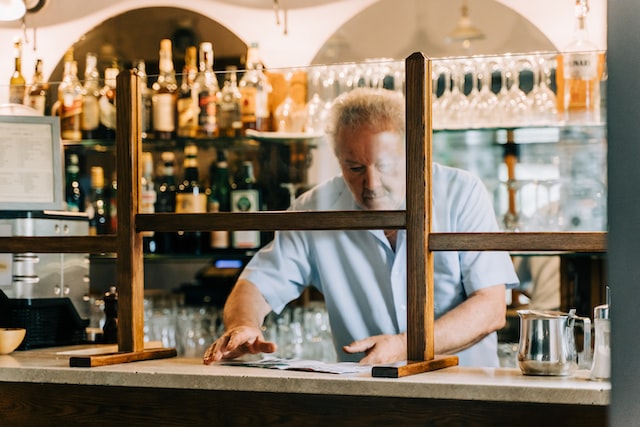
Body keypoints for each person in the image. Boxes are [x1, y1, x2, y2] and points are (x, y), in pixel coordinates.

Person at [203, 87, 519, 367]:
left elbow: (491, 307)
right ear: (339, 160)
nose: (371, 183)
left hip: (463, 394)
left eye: (384, 165)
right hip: (367, 398)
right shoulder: (315, 208)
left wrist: (403, 346)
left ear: (413, 152)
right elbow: (256, 284)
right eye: (354, 168)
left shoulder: (460, 192)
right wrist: (242, 326)